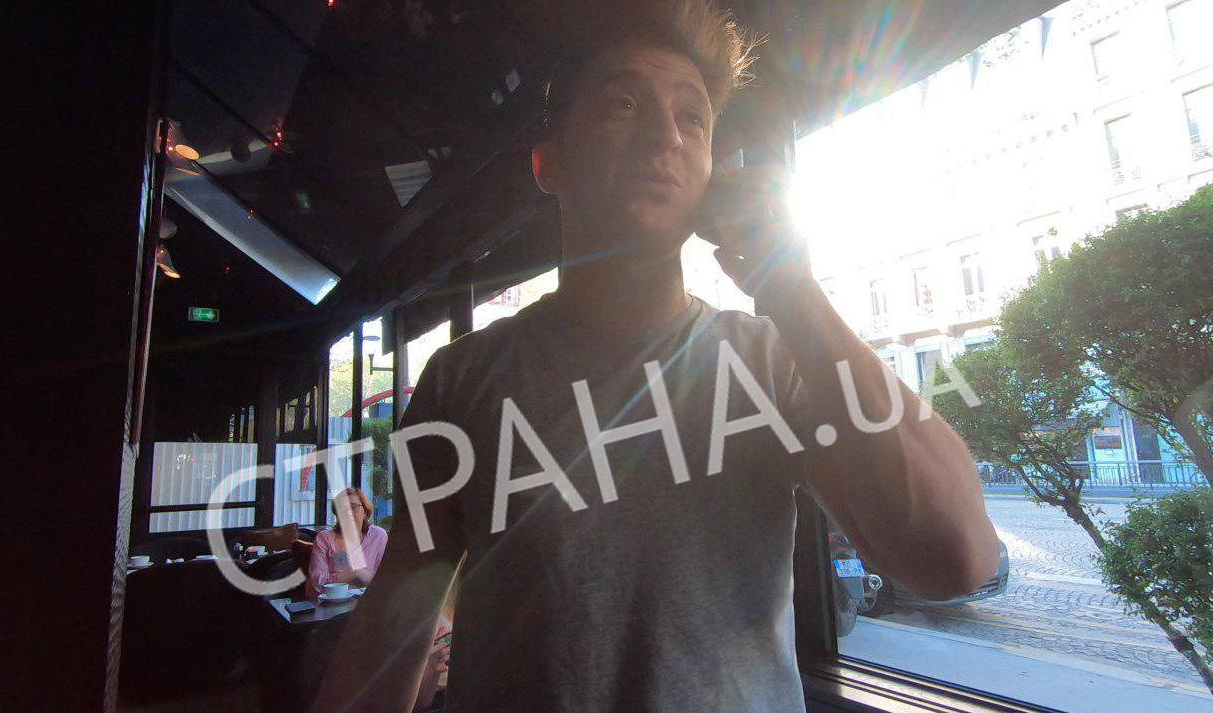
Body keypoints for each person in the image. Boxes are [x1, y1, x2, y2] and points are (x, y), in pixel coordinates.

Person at [317, 1, 1000, 711]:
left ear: (709, 170)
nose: (666, 135)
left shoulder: (770, 363)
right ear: (549, 164)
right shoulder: (463, 381)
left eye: (693, 118)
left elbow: (957, 558)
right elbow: (392, 625)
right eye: (623, 103)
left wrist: (792, 289)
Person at [307, 487, 389, 601]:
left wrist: (341, 579)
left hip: (367, 601)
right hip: (329, 603)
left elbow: (382, 578)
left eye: (354, 507)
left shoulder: (378, 536)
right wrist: (357, 574)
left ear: (365, 512)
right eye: (342, 509)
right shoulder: (325, 538)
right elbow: (317, 580)